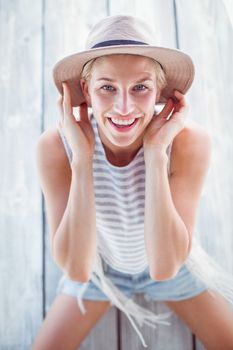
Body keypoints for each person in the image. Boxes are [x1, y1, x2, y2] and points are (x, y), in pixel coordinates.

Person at [33, 15, 233, 350]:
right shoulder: (56, 147)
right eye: (107, 87)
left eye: (140, 87)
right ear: (86, 90)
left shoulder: (187, 142)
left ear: (158, 91)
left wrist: (155, 152)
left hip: (176, 265)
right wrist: (83, 160)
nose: (123, 107)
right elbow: (78, 269)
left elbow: (165, 267)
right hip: (101, 270)